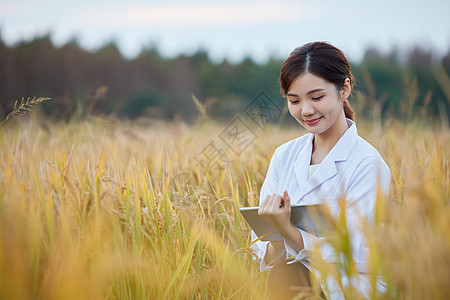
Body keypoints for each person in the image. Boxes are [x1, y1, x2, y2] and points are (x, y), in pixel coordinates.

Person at [251, 42, 390, 299]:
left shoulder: (367, 163)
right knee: (285, 275)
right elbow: (268, 258)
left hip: (350, 287)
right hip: (289, 283)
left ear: (344, 89)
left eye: (317, 98)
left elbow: (348, 254)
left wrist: (286, 230)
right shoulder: (284, 156)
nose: (306, 110)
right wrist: (275, 235)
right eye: (294, 100)